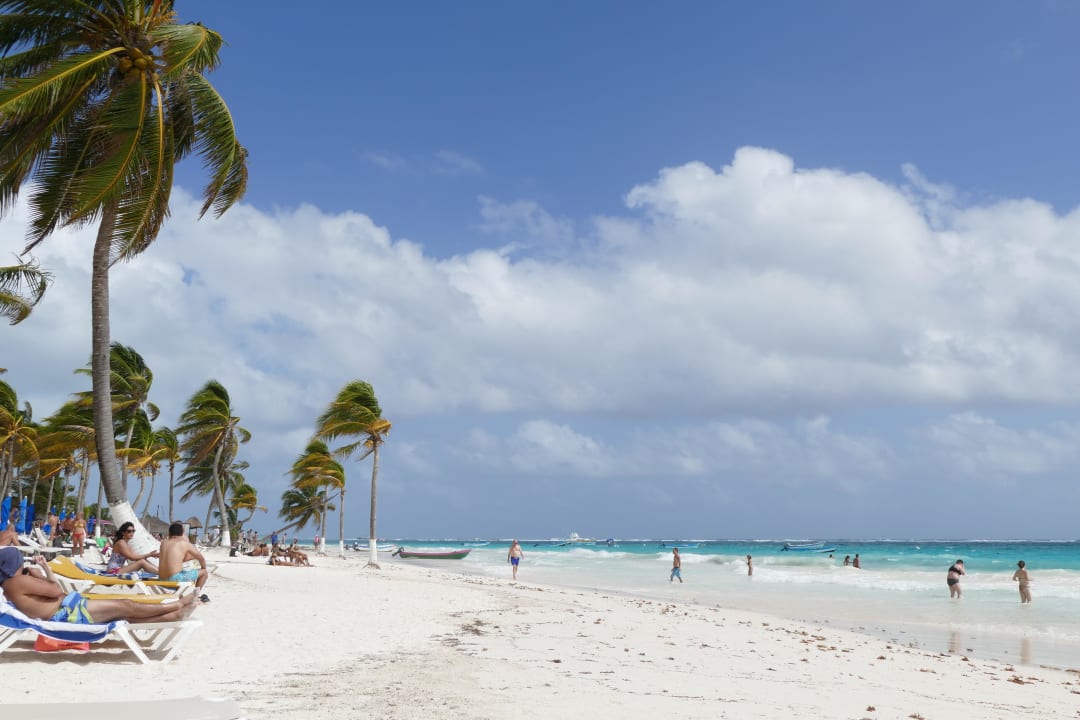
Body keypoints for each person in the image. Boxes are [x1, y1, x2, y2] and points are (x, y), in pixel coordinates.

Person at [0, 547, 196, 624]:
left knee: (125, 614)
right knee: (125, 605)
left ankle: (173, 615)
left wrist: (43, 570)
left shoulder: (12, 584)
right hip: (69, 613)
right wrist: (41, 573)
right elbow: (56, 590)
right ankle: (176, 605)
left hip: (68, 609)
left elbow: (51, 592)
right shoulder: (18, 581)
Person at [158, 521, 210, 602]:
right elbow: (201, 559)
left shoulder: (163, 543)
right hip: (174, 580)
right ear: (182, 533)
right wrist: (203, 568)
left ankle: (180, 596)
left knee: (180, 572)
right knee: (204, 573)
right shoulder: (184, 544)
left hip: (161, 579)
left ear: (169, 532)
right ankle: (195, 596)